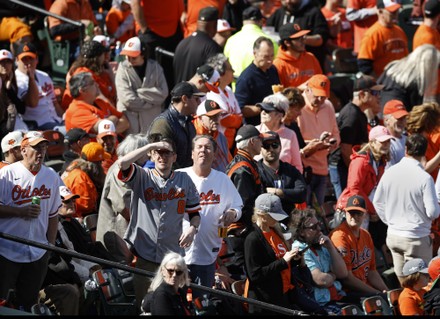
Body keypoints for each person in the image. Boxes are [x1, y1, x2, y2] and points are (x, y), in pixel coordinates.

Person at [117, 135, 201, 310]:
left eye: (167, 153)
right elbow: (122, 163)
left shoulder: (184, 180)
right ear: (151, 155)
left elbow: (195, 214)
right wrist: (152, 145)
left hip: (171, 257)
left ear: (174, 157)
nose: (162, 157)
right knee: (144, 305)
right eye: (158, 153)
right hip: (144, 253)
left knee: (170, 306)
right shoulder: (142, 176)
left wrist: (193, 228)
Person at [0, 131, 62, 311]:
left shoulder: (51, 175)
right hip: (7, 250)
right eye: (36, 147)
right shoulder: (7, 174)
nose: (41, 151)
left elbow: (53, 215)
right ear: (23, 150)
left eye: (43, 147)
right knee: (4, 303)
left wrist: (49, 247)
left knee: (29, 305)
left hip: (37, 252)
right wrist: (20, 211)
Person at [177, 135, 242, 298]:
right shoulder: (178, 177)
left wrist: (232, 213)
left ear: (214, 155)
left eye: (208, 148)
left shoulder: (222, 179)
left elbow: (237, 205)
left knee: (202, 301)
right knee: (177, 300)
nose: (203, 151)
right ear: (192, 153)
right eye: (199, 147)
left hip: (208, 254)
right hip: (178, 252)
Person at [373, 133, 440, 284]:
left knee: (406, 286)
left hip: (394, 236)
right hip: (416, 239)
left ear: (406, 149)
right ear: (424, 152)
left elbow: (377, 202)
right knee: (420, 285)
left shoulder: (390, 172)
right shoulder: (424, 178)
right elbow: (433, 212)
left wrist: (390, 222)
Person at [244, 193, 327, 315]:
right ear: (262, 215)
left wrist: (296, 259)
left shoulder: (276, 231)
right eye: (273, 216)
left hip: (287, 295)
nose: (277, 219)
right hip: (268, 304)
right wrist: (283, 261)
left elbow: (283, 265)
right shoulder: (252, 239)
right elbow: (255, 275)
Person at [96, 133, 150, 262]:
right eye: (145, 151)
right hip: (116, 233)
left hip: (125, 232)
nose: (148, 155)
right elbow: (123, 207)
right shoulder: (118, 170)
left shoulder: (130, 168)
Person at [328, 75, 383, 199]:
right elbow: (345, 147)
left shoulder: (359, 113)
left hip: (346, 166)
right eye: (375, 92)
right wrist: (355, 171)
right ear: (362, 95)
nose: (378, 96)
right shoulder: (351, 114)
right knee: (346, 204)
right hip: (342, 167)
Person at [290, 208, 352, 313]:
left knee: (374, 302)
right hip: (321, 304)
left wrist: (331, 247)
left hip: (339, 297)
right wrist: (333, 275)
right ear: (301, 232)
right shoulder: (299, 249)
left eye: (319, 224)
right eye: (314, 227)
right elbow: (322, 280)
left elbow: (343, 273)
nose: (319, 229)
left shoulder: (322, 243)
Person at [330, 194, 389, 299]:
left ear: (365, 214)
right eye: (351, 212)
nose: (355, 216)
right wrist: (377, 293)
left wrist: (386, 292)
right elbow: (347, 279)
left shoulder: (366, 235)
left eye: (358, 213)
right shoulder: (339, 236)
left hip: (365, 289)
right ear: (345, 212)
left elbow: (372, 271)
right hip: (347, 292)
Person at [225, 124, 263, 278]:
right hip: (240, 231)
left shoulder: (244, 163)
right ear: (252, 142)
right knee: (246, 275)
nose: (262, 144)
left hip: (241, 230)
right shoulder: (242, 169)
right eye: (260, 140)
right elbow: (243, 205)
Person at [297, 74, 340, 207]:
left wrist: (332, 143)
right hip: (303, 170)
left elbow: (336, 134)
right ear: (307, 90)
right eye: (317, 95)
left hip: (322, 169)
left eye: (323, 96)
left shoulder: (328, 106)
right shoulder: (299, 107)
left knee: (318, 213)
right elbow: (295, 141)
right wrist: (316, 144)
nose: (320, 99)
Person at [115, 36, 169, 134]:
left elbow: (163, 93)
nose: (130, 59)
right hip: (132, 125)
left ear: (143, 54)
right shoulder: (122, 68)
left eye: (134, 57)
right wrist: (152, 103)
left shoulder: (156, 67)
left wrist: (138, 93)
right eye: (127, 56)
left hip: (151, 122)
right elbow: (128, 100)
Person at [148, 81, 205, 169]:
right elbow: (161, 159)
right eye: (196, 99)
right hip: (168, 180)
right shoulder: (163, 123)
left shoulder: (189, 122)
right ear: (185, 99)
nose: (199, 102)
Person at [266, 0, 331, 71]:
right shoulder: (278, 13)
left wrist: (299, 39)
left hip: (307, 66)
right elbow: (267, 32)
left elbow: (321, 39)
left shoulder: (313, 12)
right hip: (286, 64)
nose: (288, 1)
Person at [14, 42, 65, 132]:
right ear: (17, 60)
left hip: (56, 120)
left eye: (31, 58)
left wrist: (65, 117)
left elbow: (54, 103)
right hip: (37, 125)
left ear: (37, 60)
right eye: (24, 59)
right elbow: (32, 103)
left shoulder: (44, 75)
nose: (28, 62)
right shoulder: (16, 80)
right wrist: (31, 78)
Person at [257, 131, 307, 217]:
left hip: (289, 219)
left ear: (280, 147)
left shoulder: (290, 170)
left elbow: (301, 193)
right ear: (260, 149)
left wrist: (276, 191)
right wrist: (287, 193)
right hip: (266, 220)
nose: (271, 149)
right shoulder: (256, 170)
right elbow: (258, 194)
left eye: (274, 145)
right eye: (266, 146)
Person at [377, 44, 440, 111]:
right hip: (397, 114)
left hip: (381, 108)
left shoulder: (392, 68)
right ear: (430, 65)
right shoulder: (415, 82)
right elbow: (416, 112)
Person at [235, 36, 281, 126]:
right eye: (266, 57)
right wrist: (264, 108)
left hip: (275, 124)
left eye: (272, 56)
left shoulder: (272, 70)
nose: (270, 61)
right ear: (255, 53)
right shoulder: (246, 78)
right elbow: (240, 109)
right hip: (256, 126)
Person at [64, 72, 130, 135]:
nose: (97, 85)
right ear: (83, 90)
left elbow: (126, 123)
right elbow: (103, 127)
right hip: (95, 146)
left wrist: (110, 129)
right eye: (92, 83)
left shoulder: (99, 102)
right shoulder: (77, 111)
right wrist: (114, 118)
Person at [224, 6, 279, 80]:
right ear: (261, 21)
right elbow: (277, 64)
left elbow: (225, 64)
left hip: (235, 87)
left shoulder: (231, 40)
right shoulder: (269, 42)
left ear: (243, 21)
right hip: (260, 87)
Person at [357, 0, 408, 78]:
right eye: (392, 12)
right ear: (380, 12)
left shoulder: (399, 31)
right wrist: (378, 85)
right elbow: (364, 65)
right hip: (383, 84)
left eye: (397, 11)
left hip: (400, 81)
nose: (396, 15)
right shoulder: (372, 34)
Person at [62, 40, 117, 111]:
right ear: (97, 57)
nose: (106, 57)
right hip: (84, 112)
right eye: (103, 54)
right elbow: (99, 98)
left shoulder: (100, 70)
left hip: (100, 109)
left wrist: (111, 75)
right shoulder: (83, 74)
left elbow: (113, 96)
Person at [173, 6, 223, 83]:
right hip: (198, 94)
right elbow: (215, 79)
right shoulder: (212, 47)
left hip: (179, 93)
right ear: (215, 24)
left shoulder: (182, 43)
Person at [205, 53, 243, 152]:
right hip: (216, 146)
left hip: (229, 145)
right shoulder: (212, 92)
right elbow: (224, 119)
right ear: (221, 73)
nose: (233, 72)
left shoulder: (228, 90)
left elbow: (239, 117)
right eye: (230, 69)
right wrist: (233, 118)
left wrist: (233, 118)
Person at [255, 93, 303, 173]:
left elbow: (297, 167)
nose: (263, 112)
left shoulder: (290, 135)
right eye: (262, 109)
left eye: (267, 110)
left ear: (280, 115)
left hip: (284, 183)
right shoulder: (254, 132)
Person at [61, 142, 109, 220]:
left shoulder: (77, 167)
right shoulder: (81, 178)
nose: (103, 164)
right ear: (96, 164)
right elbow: (85, 208)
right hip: (76, 219)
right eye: (101, 162)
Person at [273, 23, 323, 89]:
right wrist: (299, 89)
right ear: (287, 43)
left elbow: (321, 81)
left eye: (303, 37)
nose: (303, 41)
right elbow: (278, 95)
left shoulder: (310, 57)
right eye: (298, 39)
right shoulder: (278, 65)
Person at [141, 251, 192, 316]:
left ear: (183, 274)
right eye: (170, 271)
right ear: (163, 271)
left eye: (178, 272)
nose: (174, 275)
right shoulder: (161, 295)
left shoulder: (180, 292)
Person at [193, 99, 231, 173]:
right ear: (200, 118)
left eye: (218, 115)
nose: (216, 119)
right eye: (212, 116)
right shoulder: (193, 138)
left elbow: (228, 161)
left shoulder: (221, 137)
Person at [383, 99, 409, 169]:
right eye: (398, 118)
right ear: (386, 120)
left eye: (404, 118)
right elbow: (390, 173)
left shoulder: (408, 139)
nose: (402, 121)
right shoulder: (384, 143)